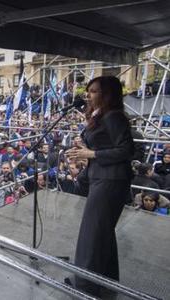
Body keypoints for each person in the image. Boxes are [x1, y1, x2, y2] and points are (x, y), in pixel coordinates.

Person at [66, 76, 135, 296]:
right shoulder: (101, 115)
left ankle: (85, 285)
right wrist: (84, 149)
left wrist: (90, 153)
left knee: (92, 234)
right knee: (102, 233)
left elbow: (127, 150)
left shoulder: (114, 117)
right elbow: (105, 146)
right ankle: (106, 282)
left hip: (111, 181)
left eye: (94, 91)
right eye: (88, 91)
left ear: (107, 94)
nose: (88, 95)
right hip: (102, 178)